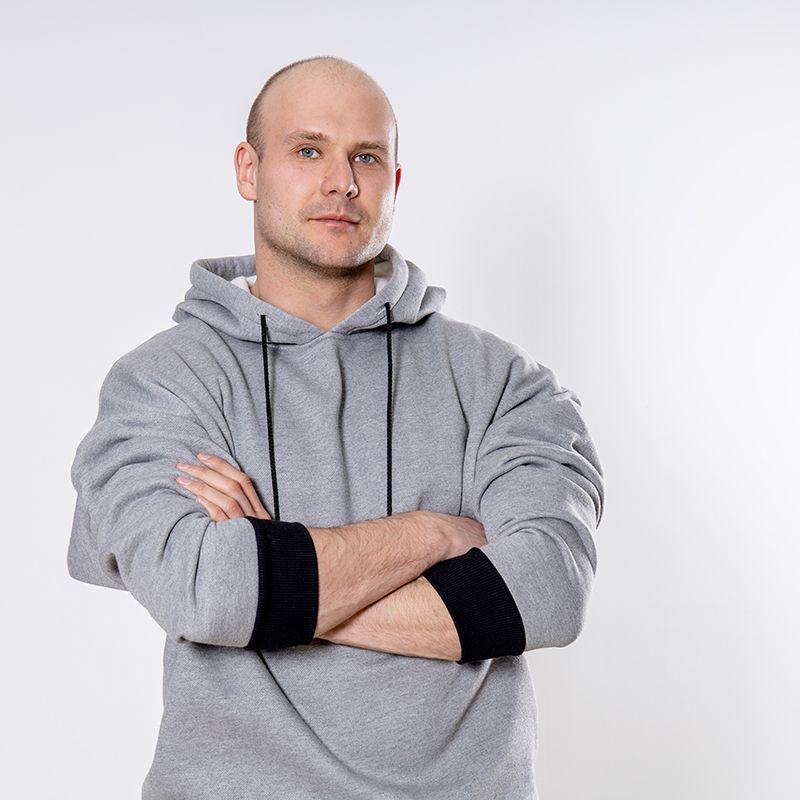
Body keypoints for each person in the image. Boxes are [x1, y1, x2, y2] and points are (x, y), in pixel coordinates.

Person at [67, 55, 604, 800]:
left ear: (394, 181)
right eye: (308, 150)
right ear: (248, 169)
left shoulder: (503, 382)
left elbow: (545, 593)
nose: (341, 182)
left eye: (367, 157)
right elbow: (204, 591)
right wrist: (435, 534)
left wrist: (271, 572)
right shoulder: (161, 384)